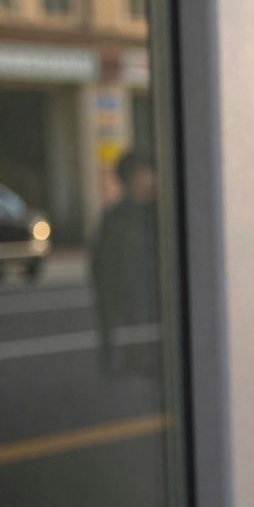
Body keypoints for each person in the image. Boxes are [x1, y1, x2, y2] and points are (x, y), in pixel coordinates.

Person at [92, 150, 160, 375]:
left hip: (158, 308)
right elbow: (104, 274)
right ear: (132, 178)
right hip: (133, 310)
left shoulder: (164, 213)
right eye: (146, 172)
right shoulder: (115, 219)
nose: (153, 178)